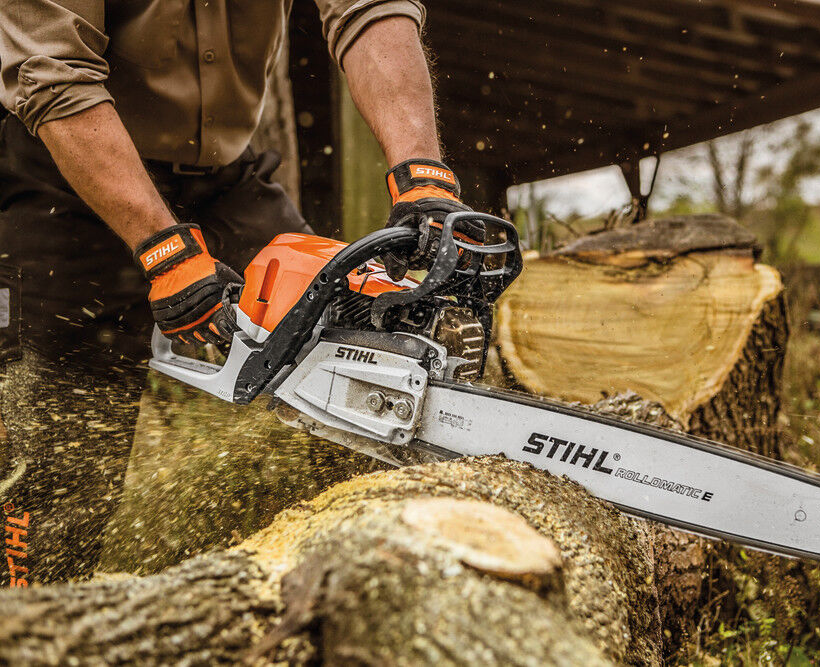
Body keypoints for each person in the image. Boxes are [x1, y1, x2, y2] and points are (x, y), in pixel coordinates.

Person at [0, 0, 481, 586]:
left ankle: (347, 578)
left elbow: (369, 10)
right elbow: (53, 74)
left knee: (345, 332)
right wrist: (166, 252)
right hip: (70, 165)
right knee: (61, 434)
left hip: (225, 174)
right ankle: (30, 603)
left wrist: (421, 174)